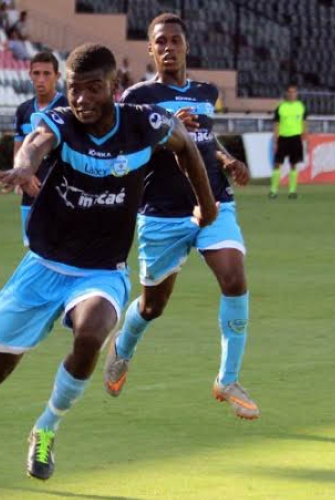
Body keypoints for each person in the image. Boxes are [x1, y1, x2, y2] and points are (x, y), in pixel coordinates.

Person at [0, 43, 216, 481]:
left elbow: (185, 145)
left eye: (93, 89)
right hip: (44, 265)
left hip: (101, 271)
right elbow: (37, 142)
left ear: (114, 87)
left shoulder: (144, 123)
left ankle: (47, 427)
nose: (81, 99)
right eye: (74, 89)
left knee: (92, 331)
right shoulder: (62, 122)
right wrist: (23, 167)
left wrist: (206, 206)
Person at [104, 13, 258, 420]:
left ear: (186, 46)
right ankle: (123, 347)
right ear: (151, 50)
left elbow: (205, 138)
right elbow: (124, 152)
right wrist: (168, 131)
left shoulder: (206, 92)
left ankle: (228, 379)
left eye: (175, 40)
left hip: (213, 202)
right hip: (161, 212)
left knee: (234, 277)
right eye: (161, 42)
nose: (169, 47)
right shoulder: (137, 96)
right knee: (152, 306)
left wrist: (226, 160)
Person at [12, 51, 67, 246]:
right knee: (33, 248)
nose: (41, 79)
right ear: (30, 75)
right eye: (36, 73)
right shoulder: (23, 110)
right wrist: (22, 175)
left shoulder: (67, 107)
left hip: (62, 191)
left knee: (61, 248)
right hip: (30, 190)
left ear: (57, 76)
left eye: (47, 73)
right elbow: (18, 148)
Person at [270, 84, 308, 199]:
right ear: (286, 93)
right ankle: (273, 191)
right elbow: (276, 124)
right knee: (277, 164)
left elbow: (304, 123)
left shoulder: (301, 107)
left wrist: (306, 137)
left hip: (296, 138)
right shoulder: (281, 107)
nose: (292, 94)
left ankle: (292, 191)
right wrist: (275, 141)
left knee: (293, 164)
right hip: (283, 138)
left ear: (297, 94)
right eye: (290, 92)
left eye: (294, 92)